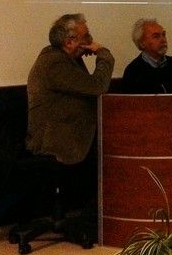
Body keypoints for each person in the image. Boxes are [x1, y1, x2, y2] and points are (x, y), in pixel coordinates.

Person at [25, 13, 114, 207]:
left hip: (74, 130)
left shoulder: (67, 59)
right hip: (57, 140)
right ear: (70, 41)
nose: (91, 40)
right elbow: (97, 86)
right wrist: (104, 54)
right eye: (86, 36)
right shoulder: (54, 63)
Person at [122, 18, 172, 93]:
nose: (163, 40)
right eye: (156, 36)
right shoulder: (133, 72)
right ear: (142, 43)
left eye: (163, 35)